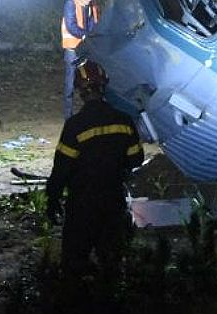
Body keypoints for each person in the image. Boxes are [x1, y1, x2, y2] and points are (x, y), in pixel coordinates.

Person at [46, 59, 144, 279]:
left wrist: (52, 200)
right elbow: (136, 158)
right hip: (113, 201)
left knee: (74, 262)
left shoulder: (75, 126)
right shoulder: (124, 121)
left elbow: (61, 168)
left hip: (82, 205)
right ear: (104, 86)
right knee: (111, 263)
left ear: (79, 90)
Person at [59, 0, 100, 119]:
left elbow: (92, 24)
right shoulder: (71, 4)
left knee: (91, 79)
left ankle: (92, 112)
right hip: (73, 48)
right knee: (70, 83)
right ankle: (68, 117)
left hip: (85, 47)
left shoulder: (90, 5)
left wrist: (90, 37)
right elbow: (71, 25)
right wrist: (84, 36)